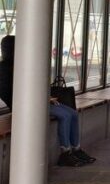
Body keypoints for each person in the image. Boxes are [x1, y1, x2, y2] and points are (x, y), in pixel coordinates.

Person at [0, 35, 94, 167]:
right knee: (65, 116)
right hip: (26, 105)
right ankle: (65, 153)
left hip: (37, 101)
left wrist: (44, 97)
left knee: (72, 113)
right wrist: (39, 98)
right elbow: (8, 92)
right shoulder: (5, 68)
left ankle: (76, 149)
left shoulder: (20, 64)